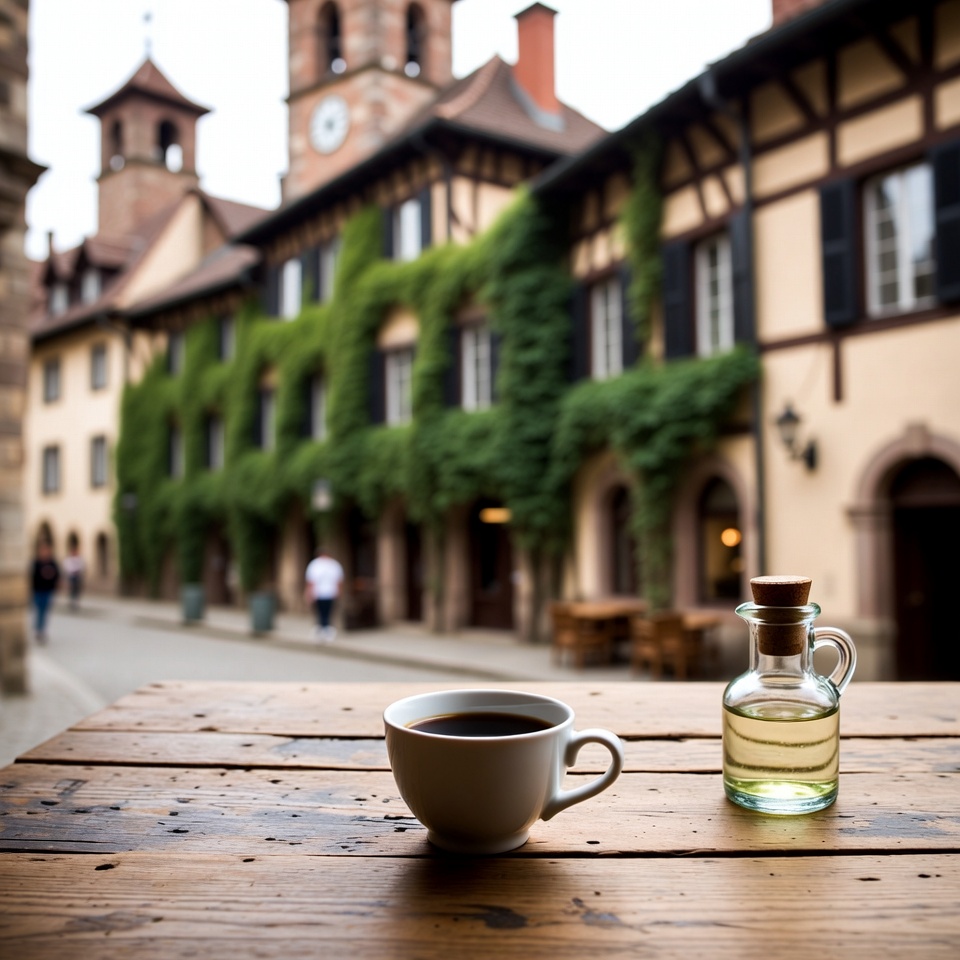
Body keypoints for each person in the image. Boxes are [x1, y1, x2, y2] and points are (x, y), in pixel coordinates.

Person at [304, 546, 344, 642]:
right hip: (322, 593)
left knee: (325, 612)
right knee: (323, 612)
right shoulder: (331, 564)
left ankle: (325, 630)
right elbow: (311, 581)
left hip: (326, 593)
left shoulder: (317, 565)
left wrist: (308, 593)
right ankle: (324, 630)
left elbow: (338, 581)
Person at [31, 541, 60, 644]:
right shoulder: (36, 563)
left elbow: (57, 575)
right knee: (39, 610)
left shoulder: (52, 563)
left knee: (44, 611)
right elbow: (31, 577)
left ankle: (41, 630)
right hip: (37, 591)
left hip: (48, 591)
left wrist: (55, 587)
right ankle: (38, 628)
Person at [63, 543, 85, 610]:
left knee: (77, 590)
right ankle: (72, 601)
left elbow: (82, 566)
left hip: (78, 576)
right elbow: (66, 567)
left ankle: (76, 602)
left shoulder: (79, 559)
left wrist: (79, 571)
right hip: (72, 576)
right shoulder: (69, 559)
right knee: (72, 590)